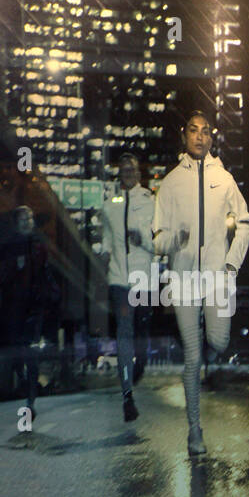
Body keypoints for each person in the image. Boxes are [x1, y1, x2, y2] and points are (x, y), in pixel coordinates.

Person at [152, 109, 249, 456]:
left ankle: (215, 340)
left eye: (205, 131)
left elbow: (246, 223)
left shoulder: (223, 179)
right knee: (192, 356)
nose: (199, 136)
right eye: (193, 130)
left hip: (216, 278)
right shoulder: (169, 183)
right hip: (182, 279)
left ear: (211, 137)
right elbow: (157, 241)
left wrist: (230, 265)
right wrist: (174, 239)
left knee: (219, 341)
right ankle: (195, 430)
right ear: (184, 135)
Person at [99, 152, 156, 421]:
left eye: (132, 169)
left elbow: (159, 242)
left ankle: (140, 366)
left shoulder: (151, 201)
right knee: (124, 333)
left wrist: (141, 237)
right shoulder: (110, 204)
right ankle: (127, 396)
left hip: (143, 279)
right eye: (124, 169)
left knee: (142, 334)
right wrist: (103, 254)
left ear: (139, 173)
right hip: (119, 280)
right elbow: (107, 241)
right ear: (119, 173)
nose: (128, 173)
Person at [0, 206, 60, 423]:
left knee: (30, 353)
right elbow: (0, 277)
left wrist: (50, 295)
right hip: (14, 308)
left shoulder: (38, 245)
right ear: (16, 222)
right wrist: (15, 266)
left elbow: (46, 273)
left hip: (34, 308)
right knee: (16, 351)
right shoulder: (8, 246)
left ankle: (30, 401)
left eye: (30, 217)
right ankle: (23, 380)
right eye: (23, 218)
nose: (27, 221)